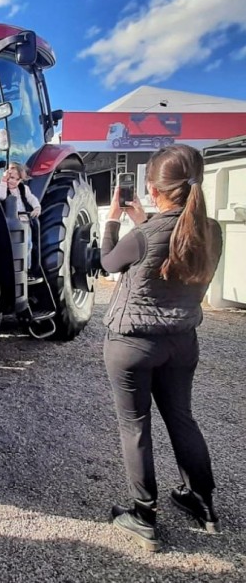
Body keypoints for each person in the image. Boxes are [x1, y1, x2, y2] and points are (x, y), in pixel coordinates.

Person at [101, 144, 223, 552]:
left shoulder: (143, 234)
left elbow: (108, 263)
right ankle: (202, 502)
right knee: (181, 418)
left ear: (153, 189)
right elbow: (174, 241)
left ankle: (144, 516)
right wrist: (145, 221)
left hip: (133, 344)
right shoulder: (211, 230)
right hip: (182, 342)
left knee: (135, 427)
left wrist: (114, 221)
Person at [0, 161, 41, 273]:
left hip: (24, 222)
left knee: (28, 244)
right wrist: (3, 181)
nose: (13, 181)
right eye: (11, 177)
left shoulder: (23, 189)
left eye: (17, 179)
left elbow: (32, 198)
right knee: (13, 247)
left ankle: (27, 269)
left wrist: (36, 207)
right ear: (6, 175)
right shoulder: (2, 187)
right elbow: (0, 197)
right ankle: (14, 268)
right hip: (10, 223)